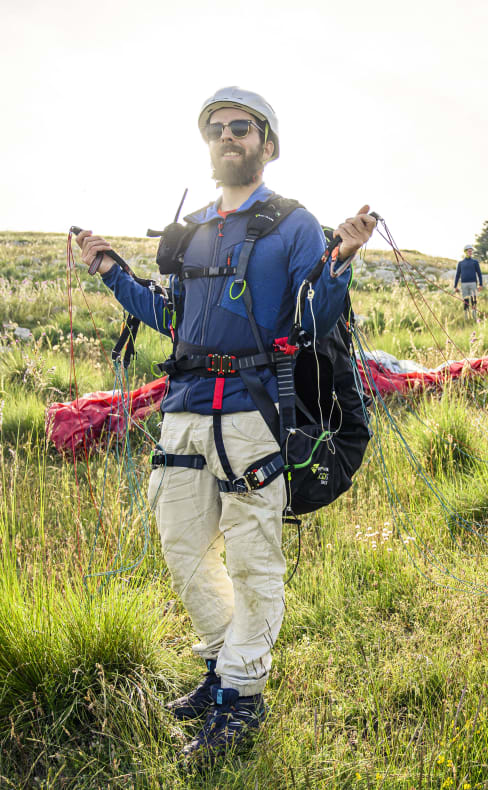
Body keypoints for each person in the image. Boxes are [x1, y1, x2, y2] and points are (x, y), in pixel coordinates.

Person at [75, 86, 376, 765]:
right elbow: (171, 317)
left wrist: (341, 262)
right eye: (216, 128)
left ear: (267, 144)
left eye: (242, 128)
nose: (227, 137)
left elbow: (311, 320)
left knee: (252, 559)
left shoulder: (295, 224)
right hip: (183, 412)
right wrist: (110, 272)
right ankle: (220, 662)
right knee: (183, 551)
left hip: (254, 414)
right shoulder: (194, 230)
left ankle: (241, 696)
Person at [453, 244, 483, 321]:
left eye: (471, 251)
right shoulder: (461, 263)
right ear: (465, 252)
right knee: (465, 301)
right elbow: (457, 275)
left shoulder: (475, 262)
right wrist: (455, 286)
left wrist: (480, 284)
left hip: (473, 283)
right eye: (469, 251)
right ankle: (466, 317)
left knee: (474, 300)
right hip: (464, 284)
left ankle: (474, 316)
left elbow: (479, 274)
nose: (470, 252)